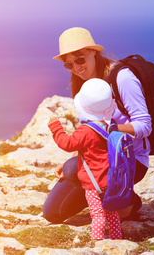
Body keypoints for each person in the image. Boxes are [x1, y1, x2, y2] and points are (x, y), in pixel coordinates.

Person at [43, 27, 151, 223]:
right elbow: (89, 130)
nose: (76, 68)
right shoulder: (82, 83)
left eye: (80, 59)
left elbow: (144, 126)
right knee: (53, 212)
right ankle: (112, 201)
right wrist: (76, 156)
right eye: (68, 64)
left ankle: (126, 202)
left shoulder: (122, 78)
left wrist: (111, 130)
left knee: (71, 170)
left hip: (128, 160)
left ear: (94, 52)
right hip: (96, 160)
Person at [48, 78, 122, 240]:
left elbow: (67, 144)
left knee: (97, 215)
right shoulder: (111, 127)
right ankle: (117, 239)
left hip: (93, 184)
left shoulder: (85, 131)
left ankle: (97, 241)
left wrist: (56, 128)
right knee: (111, 213)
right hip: (110, 181)